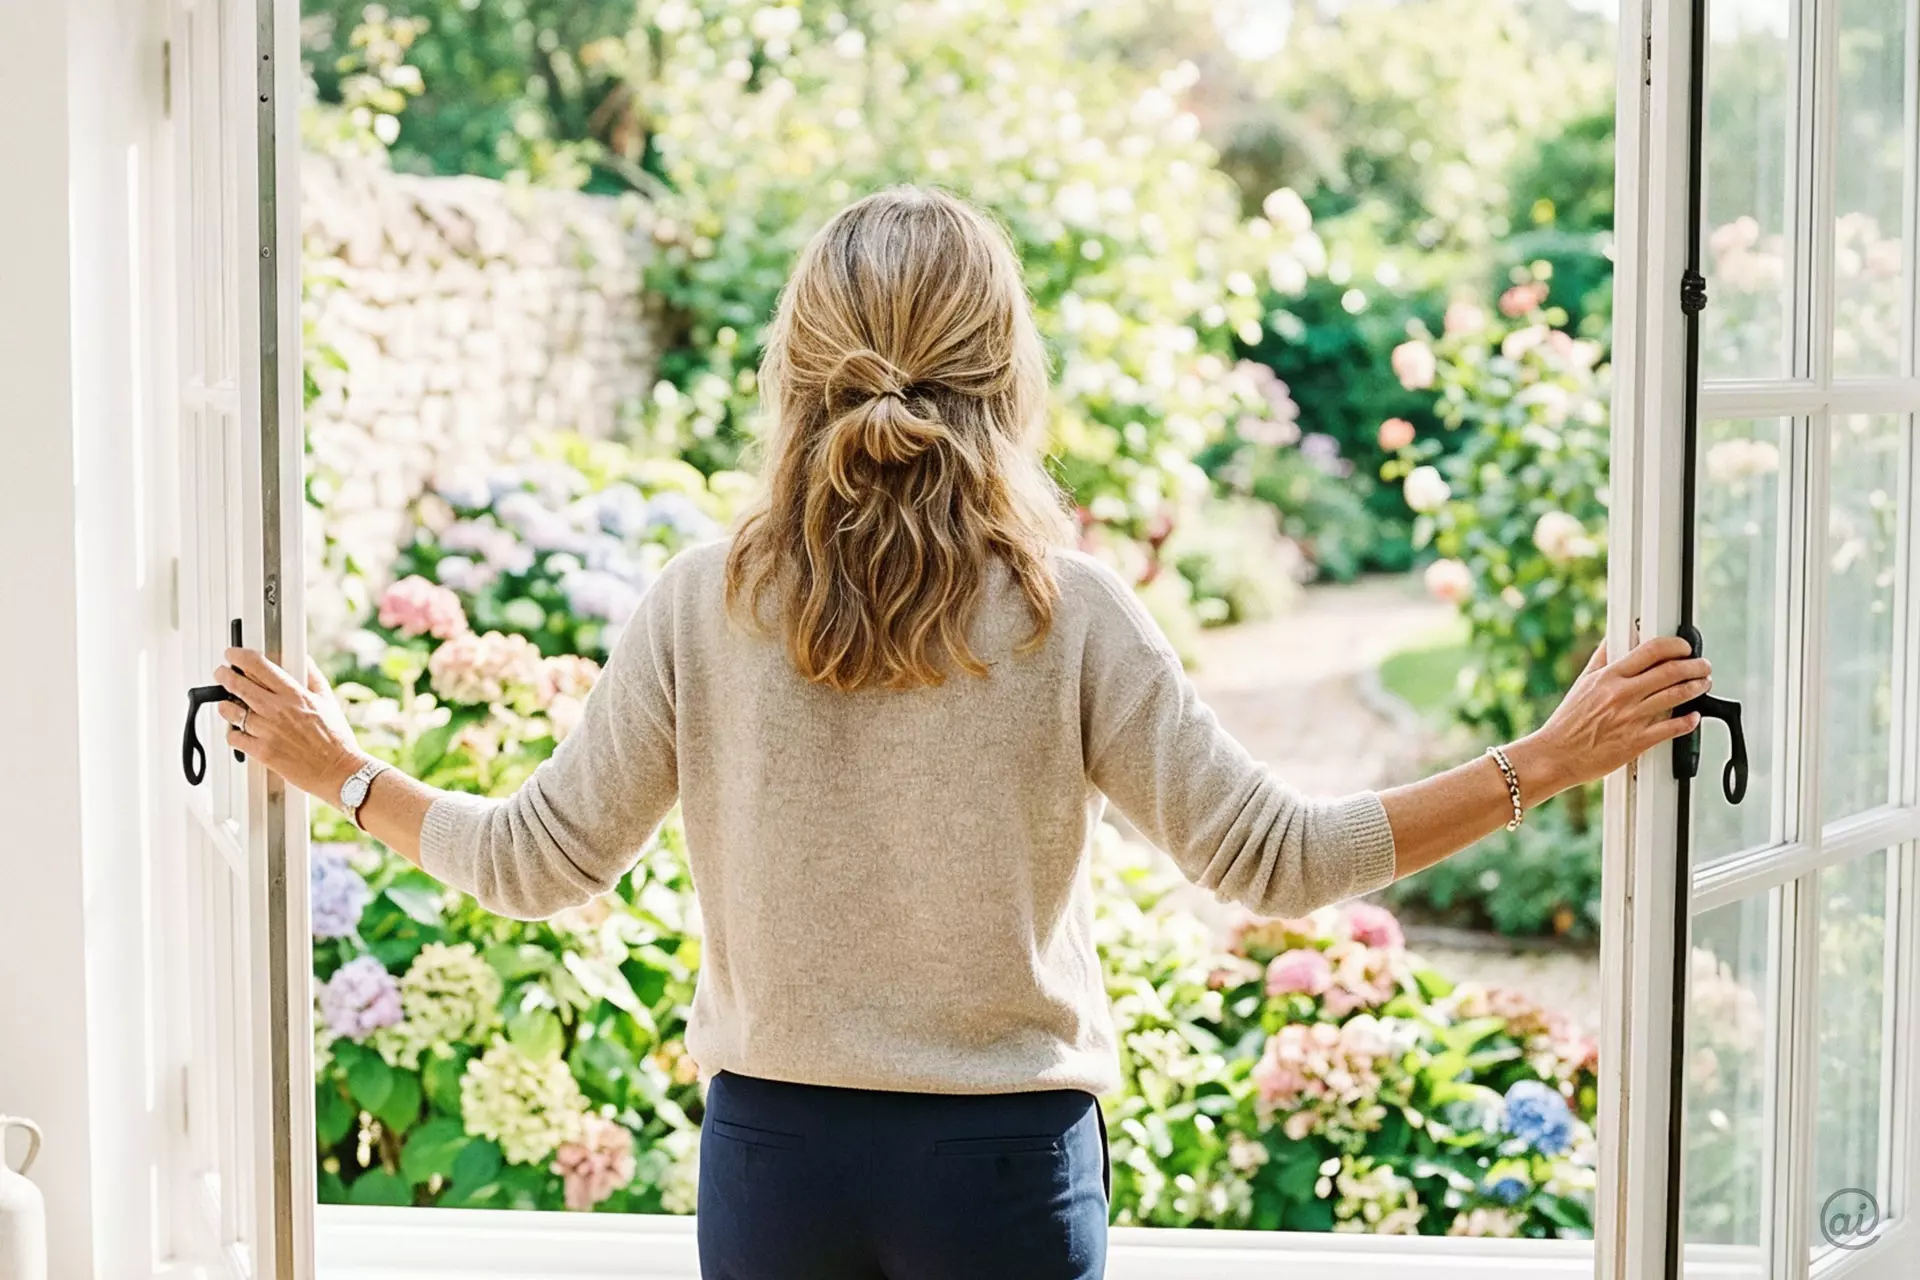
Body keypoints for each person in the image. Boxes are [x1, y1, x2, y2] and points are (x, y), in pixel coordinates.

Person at [218, 187, 1708, 1280]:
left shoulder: (698, 604)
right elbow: (1274, 859)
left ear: (795, 366)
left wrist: (337, 769)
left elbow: (534, 865)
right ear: (1005, 369)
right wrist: (1547, 760)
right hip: (1005, 1178)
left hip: (773, 1173)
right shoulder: (1071, 613)